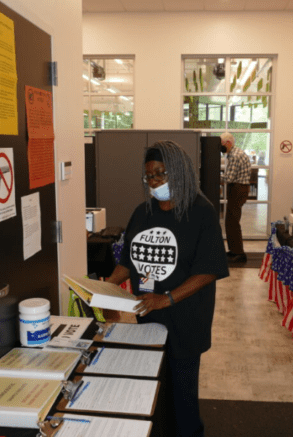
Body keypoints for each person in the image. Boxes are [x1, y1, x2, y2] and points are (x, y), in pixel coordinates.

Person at [105, 140, 229, 437]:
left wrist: (168, 298)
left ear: (180, 171)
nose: (155, 182)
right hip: (148, 315)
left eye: (161, 174)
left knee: (183, 393)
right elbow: (128, 261)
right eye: (149, 176)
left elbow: (209, 269)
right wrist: (106, 285)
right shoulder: (142, 212)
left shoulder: (202, 212)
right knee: (155, 387)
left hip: (186, 317)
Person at [220, 132, 252, 263]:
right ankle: (234, 250)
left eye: (221, 145)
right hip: (239, 188)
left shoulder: (234, 155)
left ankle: (239, 253)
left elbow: (229, 178)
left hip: (238, 189)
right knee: (231, 221)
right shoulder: (237, 152)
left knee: (232, 221)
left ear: (228, 143)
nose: (221, 149)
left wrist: (214, 175)